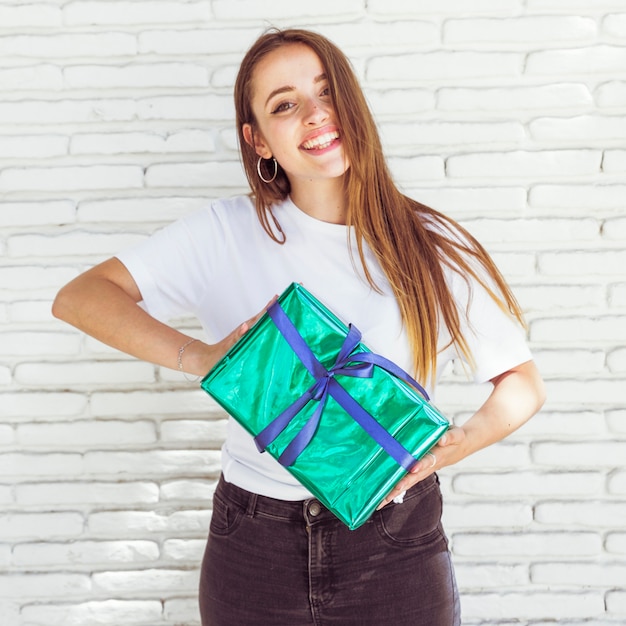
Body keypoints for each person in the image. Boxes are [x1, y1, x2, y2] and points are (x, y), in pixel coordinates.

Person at [53, 27, 545, 626]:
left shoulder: (428, 243)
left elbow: (521, 380)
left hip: (395, 541)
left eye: (327, 91)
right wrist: (203, 356)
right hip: (253, 545)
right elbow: (80, 297)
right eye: (285, 104)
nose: (316, 115)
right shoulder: (223, 233)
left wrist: (462, 442)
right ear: (256, 139)